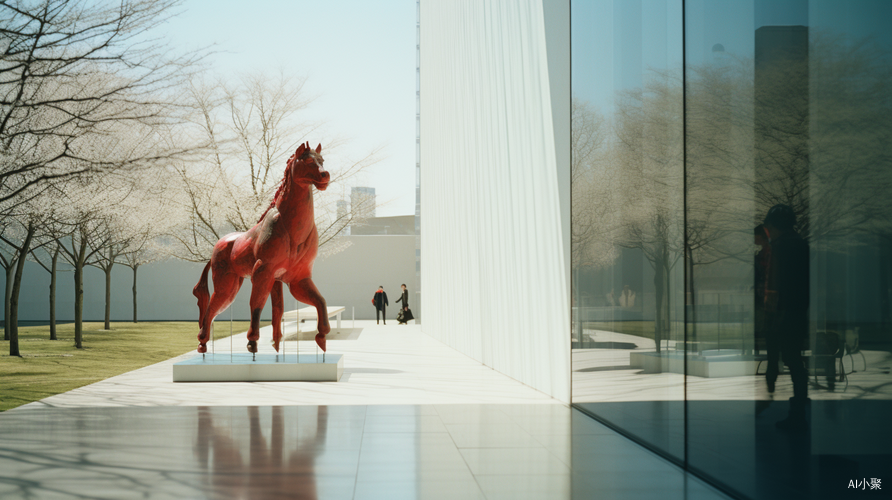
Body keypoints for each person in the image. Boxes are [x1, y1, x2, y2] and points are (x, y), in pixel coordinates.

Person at [762, 204, 810, 430]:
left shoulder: (780, 247)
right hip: (798, 310)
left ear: (772, 227)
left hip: (784, 312)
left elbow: (776, 284)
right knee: (795, 361)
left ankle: (797, 413)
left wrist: (773, 314)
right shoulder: (801, 244)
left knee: (791, 361)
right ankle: (798, 411)